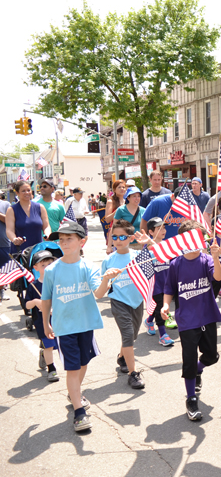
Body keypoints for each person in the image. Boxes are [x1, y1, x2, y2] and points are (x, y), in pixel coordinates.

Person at [41, 221, 105, 432]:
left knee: (83, 363)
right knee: (72, 367)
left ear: (82, 242)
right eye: (61, 239)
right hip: (64, 327)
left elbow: (98, 293)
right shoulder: (51, 270)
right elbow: (47, 300)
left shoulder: (89, 268)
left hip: (86, 324)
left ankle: (74, 391)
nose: (64, 243)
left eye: (69, 239)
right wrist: (45, 323)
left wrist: (106, 280)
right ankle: (79, 413)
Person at [161, 220, 221, 421]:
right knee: (188, 360)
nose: (198, 243)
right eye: (192, 238)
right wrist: (165, 305)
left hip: (207, 316)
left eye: (200, 238)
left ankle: (198, 370)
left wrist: (216, 257)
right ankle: (191, 398)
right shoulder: (175, 264)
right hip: (187, 320)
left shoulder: (206, 260)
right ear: (182, 241)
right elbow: (169, 289)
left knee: (211, 356)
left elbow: (218, 277)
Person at [97, 219, 153, 389]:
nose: (118, 240)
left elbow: (161, 256)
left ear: (131, 239)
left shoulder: (138, 256)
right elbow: (99, 294)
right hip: (119, 302)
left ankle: (122, 357)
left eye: (122, 237)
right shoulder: (108, 261)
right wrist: (107, 278)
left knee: (133, 336)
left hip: (136, 302)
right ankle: (133, 373)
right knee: (128, 334)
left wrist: (150, 242)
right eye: (115, 237)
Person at [25, 251, 59, 382]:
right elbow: (27, 305)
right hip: (42, 321)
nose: (48, 267)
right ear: (36, 268)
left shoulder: (58, 283)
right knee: (49, 345)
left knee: (57, 344)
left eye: (50, 264)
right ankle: (52, 369)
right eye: (43, 264)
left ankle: (44, 352)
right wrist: (35, 302)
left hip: (58, 319)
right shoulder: (34, 286)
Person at [142, 217, 175, 347]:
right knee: (160, 307)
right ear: (150, 232)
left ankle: (149, 320)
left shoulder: (167, 244)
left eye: (164, 227)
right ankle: (163, 335)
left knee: (158, 308)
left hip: (167, 283)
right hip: (155, 285)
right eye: (159, 228)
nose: (163, 230)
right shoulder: (148, 248)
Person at [6, 181, 49, 252]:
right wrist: (14, 239)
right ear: (17, 193)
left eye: (28, 190)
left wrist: (47, 234)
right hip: (20, 250)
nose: (27, 193)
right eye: (23, 191)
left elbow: (46, 226)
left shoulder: (40, 207)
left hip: (38, 250)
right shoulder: (12, 210)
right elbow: (9, 230)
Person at [0, 194, 11, 300]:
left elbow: (9, 220)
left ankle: (2, 293)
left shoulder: (5, 204)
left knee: (3, 270)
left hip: (3, 242)